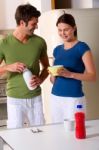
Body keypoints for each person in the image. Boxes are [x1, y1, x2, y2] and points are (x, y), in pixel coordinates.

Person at [0, 4, 49, 128]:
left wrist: (40, 79)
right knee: (16, 137)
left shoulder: (40, 42)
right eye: (33, 24)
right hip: (14, 99)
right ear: (22, 23)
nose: (36, 26)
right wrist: (7, 67)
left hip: (35, 98)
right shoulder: (4, 43)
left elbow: (47, 67)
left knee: (40, 133)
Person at [49, 13, 96, 123]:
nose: (62, 33)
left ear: (74, 28)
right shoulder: (57, 50)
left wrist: (70, 74)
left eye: (66, 29)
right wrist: (52, 74)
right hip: (55, 97)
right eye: (60, 30)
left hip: (74, 99)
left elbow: (92, 76)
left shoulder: (82, 47)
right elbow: (52, 80)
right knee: (57, 131)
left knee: (75, 133)